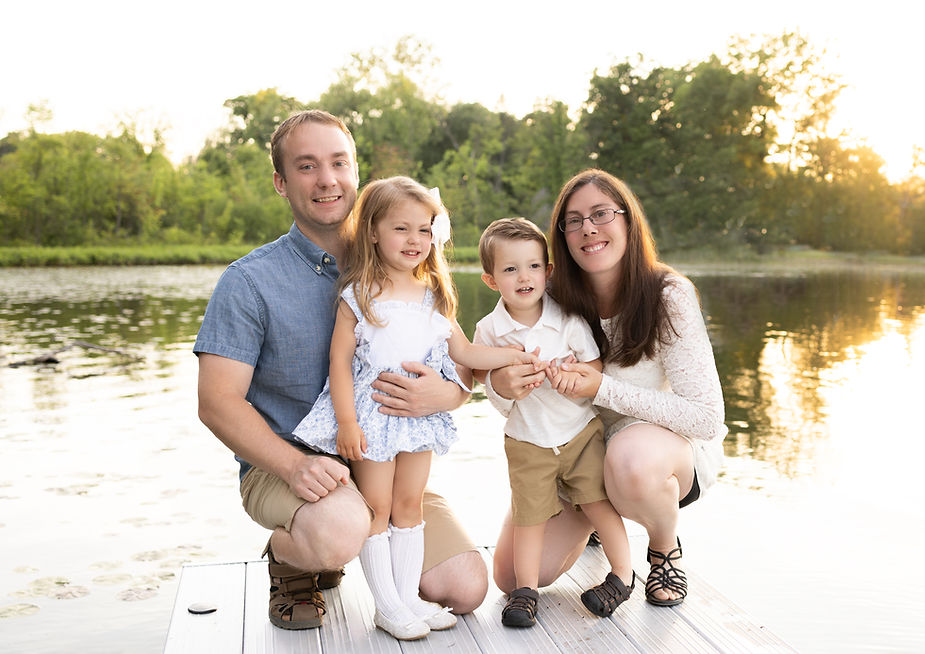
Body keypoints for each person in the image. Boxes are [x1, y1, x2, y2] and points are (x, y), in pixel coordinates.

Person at [194, 110, 488, 632]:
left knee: (465, 589)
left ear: (356, 173)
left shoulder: (402, 255)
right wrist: (291, 466)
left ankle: (367, 543)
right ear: (282, 183)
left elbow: (453, 358)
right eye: (306, 167)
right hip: (292, 464)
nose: (326, 179)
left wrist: (449, 396)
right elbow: (217, 404)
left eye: (338, 163)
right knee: (339, 529)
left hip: (387, 456)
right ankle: (294, 559)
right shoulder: (248, 282)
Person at [292, 178, 539, 640]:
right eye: (401, 229)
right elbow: (339, 365)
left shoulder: (433, 294)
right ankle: (386, 606)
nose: (415, 241)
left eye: (424, 230)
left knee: (409, 505)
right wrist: (346, 421)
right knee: (378, 506)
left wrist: (515, 355)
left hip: (417, 419)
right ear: (372, 231)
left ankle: (407, 601)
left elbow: (464, 355)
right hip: (372, 414)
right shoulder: (359, 294)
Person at [486, 169, 726, 607]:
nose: (588, 229)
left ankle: (662, 548)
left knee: (630, 459)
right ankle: (597, 520)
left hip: (653, 452)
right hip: (575, 452)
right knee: (512, 576)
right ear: (561, 237)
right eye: (573, 220)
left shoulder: (667, 295)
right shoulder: (546, 293)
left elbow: (707, 417)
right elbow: (513, 402)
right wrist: (501, 386)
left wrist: (602, 387)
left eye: (601, 214)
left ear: (628, 222)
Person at [472, 217, 634, 627]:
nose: (522, 277)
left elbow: (594, 365)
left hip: (579, 433)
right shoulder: (489, 330)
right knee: (530, 515)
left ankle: (622, 575)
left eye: (531, 266)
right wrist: (502, 381)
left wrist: (572, 375)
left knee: (597, 502)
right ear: (491, 280)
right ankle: (525, 592)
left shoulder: (567, 319)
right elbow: (477, 373)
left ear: (547, 272)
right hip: (527, 441)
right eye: (510, 269)